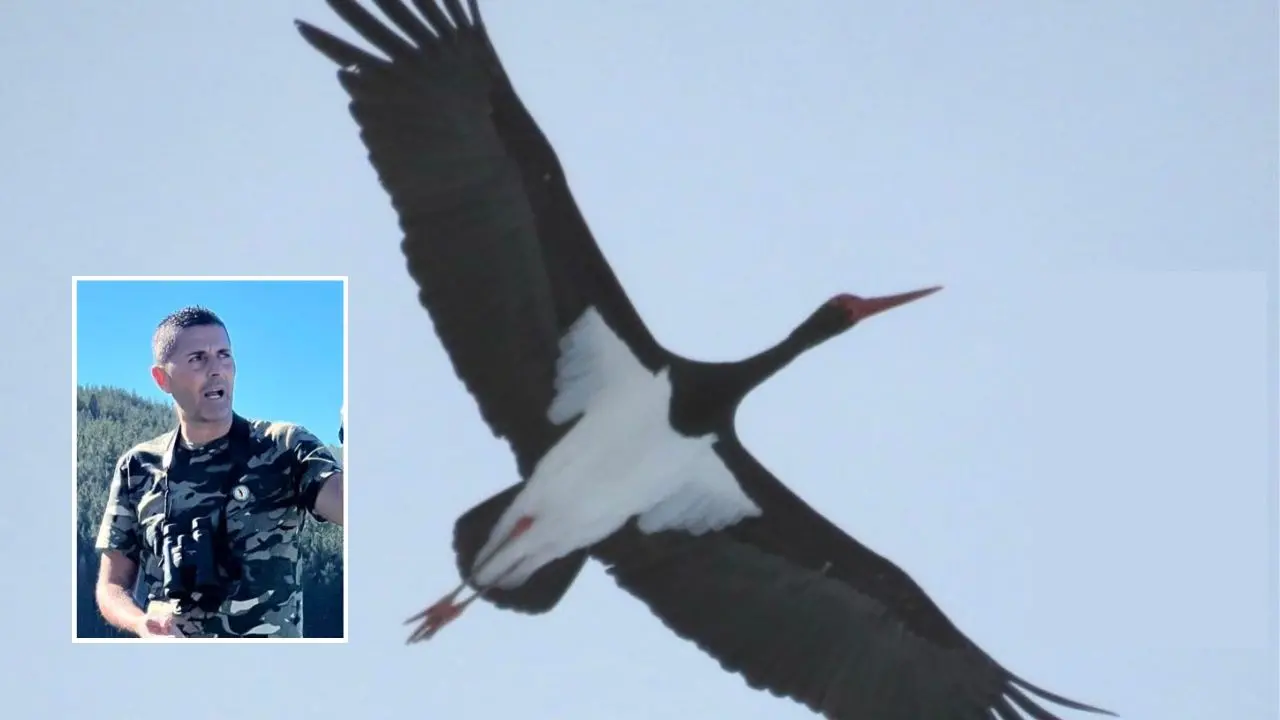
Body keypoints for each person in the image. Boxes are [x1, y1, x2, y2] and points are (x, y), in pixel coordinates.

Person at [93, 305, 345, 639]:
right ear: (161, 378)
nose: (217, 370)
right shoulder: (138, 466)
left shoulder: (284, 446)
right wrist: (140, 623)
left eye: (224, 355)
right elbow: (111, 584)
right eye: (198, 358)